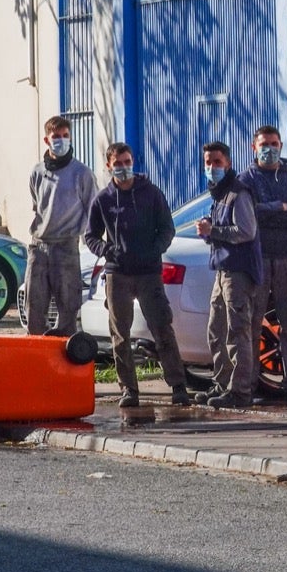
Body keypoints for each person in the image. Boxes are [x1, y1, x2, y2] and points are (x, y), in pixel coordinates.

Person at [83, 142, 190, 408]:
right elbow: (90, 235)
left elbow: (167, 228)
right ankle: (128, 389)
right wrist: (108, 250)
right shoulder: (103, 199)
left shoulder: (151, 194)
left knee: (162, 328)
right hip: (117, 274)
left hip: (149, 274)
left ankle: (178, 386)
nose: (123, 168)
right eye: (117, 164)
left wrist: (154, 250)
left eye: (127, 162)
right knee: (120, 334)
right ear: (109, 166)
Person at [238, 125, 287, 404]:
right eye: (263, 144)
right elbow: (248, 214)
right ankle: (251, 384)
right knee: (253, 322)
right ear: (253, 147)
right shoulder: (246, 180)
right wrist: (276, 207)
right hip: (256, 258)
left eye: (274, 143)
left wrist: (274, 211)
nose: (269, 149)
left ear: (281, 145)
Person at [195, 141, 263, 408]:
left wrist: (214, 232)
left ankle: (240, 390)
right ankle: (222, 384)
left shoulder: (238, 193)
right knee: (216, 330)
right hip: (221, 270)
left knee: (237, 332)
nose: (212, 168)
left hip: (238, 271)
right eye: (208, 163)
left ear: (229, 164)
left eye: (217, 162)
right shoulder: (219, 195)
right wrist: (208, 231)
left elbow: (246, 232)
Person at [26, 116, 97, 337]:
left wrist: (90, 243)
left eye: (65, 136)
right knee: (34, 308)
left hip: (66, 247)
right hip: (39, 246)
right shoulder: (37, 172)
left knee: (68, 308)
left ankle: (64, 363)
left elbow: (92, 210)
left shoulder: (82, 173)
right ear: (47, 140)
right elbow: (38, 206)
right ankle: (36, 359)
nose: (61, 140)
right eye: (56, 136)